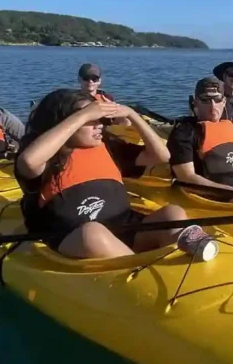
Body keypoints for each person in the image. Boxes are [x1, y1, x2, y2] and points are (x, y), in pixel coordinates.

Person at [14, 89, 184, 259]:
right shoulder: (48, 158)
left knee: (173, 213)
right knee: (92, 234)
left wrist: (132, 115)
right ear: (64, 122)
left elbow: (162, 156)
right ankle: (140, 271)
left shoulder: (109, 148)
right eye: (91, 120)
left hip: (124, 227)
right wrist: (83, 115)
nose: (99, 124)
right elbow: (29, 161)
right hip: (73, 238)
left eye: (99, 119)